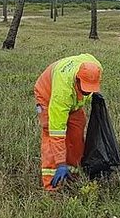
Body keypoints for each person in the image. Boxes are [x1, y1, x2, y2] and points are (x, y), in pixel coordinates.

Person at [34, 54, 103, 190]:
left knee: (76, 134)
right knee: (50, 134)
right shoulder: (62, 92)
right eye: (84, 88)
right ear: (77, 80)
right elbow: (57, 131)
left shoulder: (97, 67)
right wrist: (60, 163)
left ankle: (73, 174)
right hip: (47, 96)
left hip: (73, 102)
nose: (86, 92)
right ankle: (51, 186)